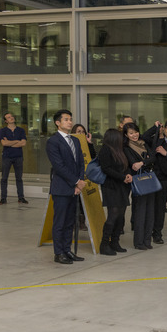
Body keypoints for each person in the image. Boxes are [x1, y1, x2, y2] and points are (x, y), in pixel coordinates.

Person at [46, 109, 86, 264]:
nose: (70, 122)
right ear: (58, 123)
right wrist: (76, 181)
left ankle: (67, 250)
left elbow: (81, 163)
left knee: (71, 222)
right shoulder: (53, 141)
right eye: (66, 119)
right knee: (60, 222)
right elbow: (59, 166)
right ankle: (58, 253)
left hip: (75, 188)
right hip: (62, 188)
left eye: (70, 119)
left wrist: (80, 183)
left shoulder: (75, 140)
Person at [98, 129, 133, 255]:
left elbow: (126, 165)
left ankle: (115, 241)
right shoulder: (106, 150)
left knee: (121, 215)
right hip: (111, 187)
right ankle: (104, 244)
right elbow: (106, 169)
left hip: (122, 186)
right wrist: (122, 177)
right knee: (113, 215)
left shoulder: (120, 150)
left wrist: (128, 174)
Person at [123, 122, 157, 250]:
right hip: (138, 181)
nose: (134, 135)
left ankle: (147, 240)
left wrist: (143, 162)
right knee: (140, 212)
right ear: (126, 135)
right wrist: (145, 161)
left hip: (150, 179)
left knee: (150, 211)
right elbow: (133, 164)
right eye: (131, 133)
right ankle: (139, 242)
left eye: (136, 132)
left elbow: (153, 158)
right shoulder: (126, 148)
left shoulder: (144, 143)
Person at [0, 112, 28, 205]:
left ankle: (21, 197)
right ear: (6, 121)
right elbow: (4, 143)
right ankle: (3, 198)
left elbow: (23, 143)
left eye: (12, 116)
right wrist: (16, 141)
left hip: (18, 157)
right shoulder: (3, 131)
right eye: (8, 117)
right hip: (6, 157)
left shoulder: (21, 130)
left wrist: (10, 143)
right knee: (4, 178)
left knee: (19, 178)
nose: (11, 118)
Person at [71, 123, 96, 230]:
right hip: (74, 176)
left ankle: (82, 222)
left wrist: (89, 143)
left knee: (84, 201)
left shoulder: (87, 144)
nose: (81, 133)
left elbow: (94, 157)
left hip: (86, 176)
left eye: (82, 131)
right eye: (78, 131)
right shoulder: (71, 143)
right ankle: (73, 222)